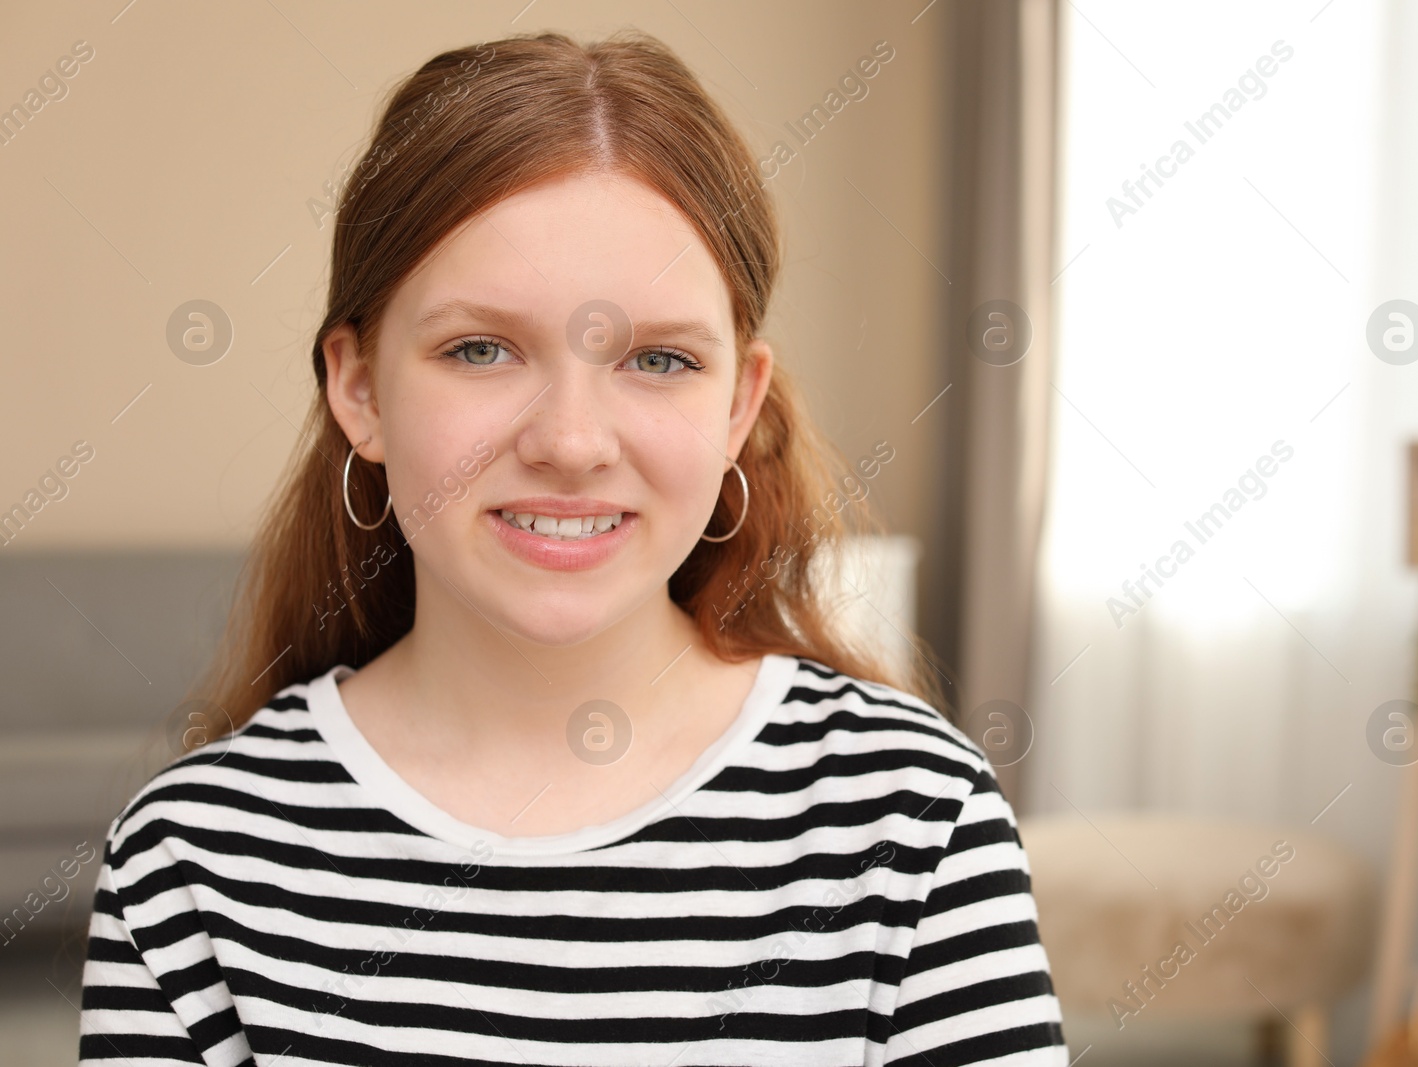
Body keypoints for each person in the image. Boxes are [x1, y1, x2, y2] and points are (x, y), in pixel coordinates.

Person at [77, 29, 1067, 1066]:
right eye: (481, 348)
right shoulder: (191, 856)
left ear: (739, 401)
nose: (570, 442)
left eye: (657, 358)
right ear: (360, 388)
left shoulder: (912, 820)